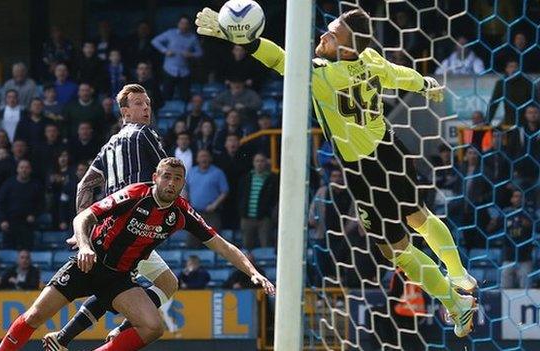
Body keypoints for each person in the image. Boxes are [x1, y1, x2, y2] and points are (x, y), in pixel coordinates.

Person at [196, 7, 476, 336]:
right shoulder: (369, 57)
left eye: (332, 33)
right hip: (390, 147)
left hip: (364, 169)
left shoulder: (322, 76)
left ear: (346, 47)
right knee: (419, 218)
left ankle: (455, 301)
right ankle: (458, 278)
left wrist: (244, 38)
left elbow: (278, 60)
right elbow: (396, 74)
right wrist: (425, 84)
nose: (324, 35)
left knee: (397, 250)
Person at [0, 157, 274, 351]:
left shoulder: (182, 212)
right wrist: (83, 246)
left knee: (153, 327)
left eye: (177, 179)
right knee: (34, 316)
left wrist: (253, 272)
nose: (171, 183)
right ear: (156, 178)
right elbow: (84, 218)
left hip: (119, 278)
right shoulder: (134, 194)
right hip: (89, 265)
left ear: (182, 184)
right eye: (166, 176)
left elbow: (222, 246)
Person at [41, 84, 176, 350]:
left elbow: (84, 185)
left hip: (109, 226)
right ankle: (89, 334)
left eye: (148, 102)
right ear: (124, 112)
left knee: (167, 282)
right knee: (115, 285)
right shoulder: (145, 133)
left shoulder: (109, 145)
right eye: (138, 103)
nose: (146, 107)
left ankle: (66, 337)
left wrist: (83, 223)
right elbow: (168, 172)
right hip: (131, 229)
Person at [151, 15, 203, 100]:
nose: (184, 26)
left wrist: (191, 54)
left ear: (189, 25)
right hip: (169, 69)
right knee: (166, 96)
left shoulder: (192, 38)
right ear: (178, 24)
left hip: (184, 71)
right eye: (182, 23)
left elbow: (200, 53)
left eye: (186, 24)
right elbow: (155, 41)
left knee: (185, 97)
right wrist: (165, 51)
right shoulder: (170, 33)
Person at [238, 153, 278, 249]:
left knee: (266, 244)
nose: (259, 163)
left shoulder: (273, 179)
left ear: (266, 163)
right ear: (253, 163)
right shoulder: (246, 178)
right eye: (257, 161)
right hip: (247, 218)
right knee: (247, 246)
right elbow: (240, 196)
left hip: (264, 219)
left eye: (262, 161)